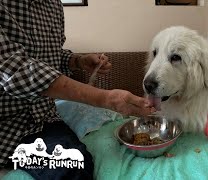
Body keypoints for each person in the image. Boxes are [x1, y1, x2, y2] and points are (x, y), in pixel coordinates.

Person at [0, 1, 155, 179]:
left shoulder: (53, 5)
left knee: (77, 164)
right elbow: (14, 69)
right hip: (6, 127)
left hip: (44, 118)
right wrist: (107, 99)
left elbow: (51, 55)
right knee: (70, 170)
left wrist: (77, 61)